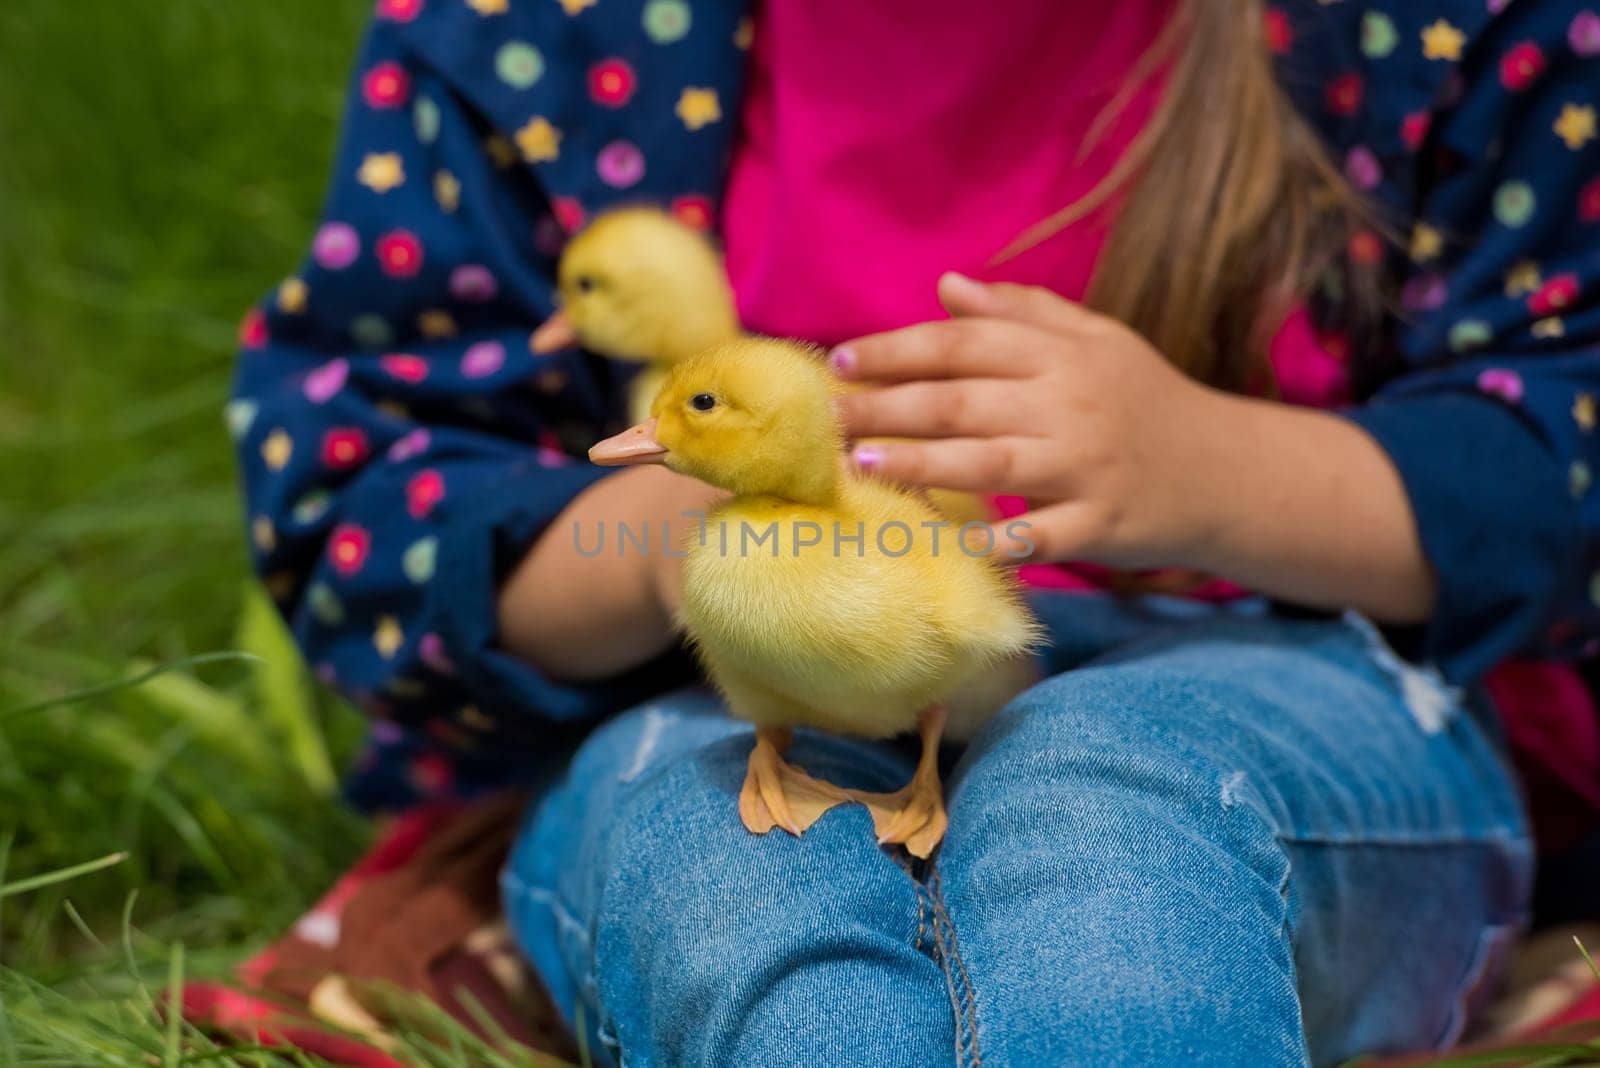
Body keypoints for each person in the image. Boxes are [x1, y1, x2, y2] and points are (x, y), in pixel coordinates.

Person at [230, 1, 1600, 1063]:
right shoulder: (535, 31)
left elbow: (1564, 438)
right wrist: (662, 527)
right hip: (690, 705)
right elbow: (368, 487)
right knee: (747, 886)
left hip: (1286, 679)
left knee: (1109, 805)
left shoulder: (1430, 27)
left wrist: (1218, 468)